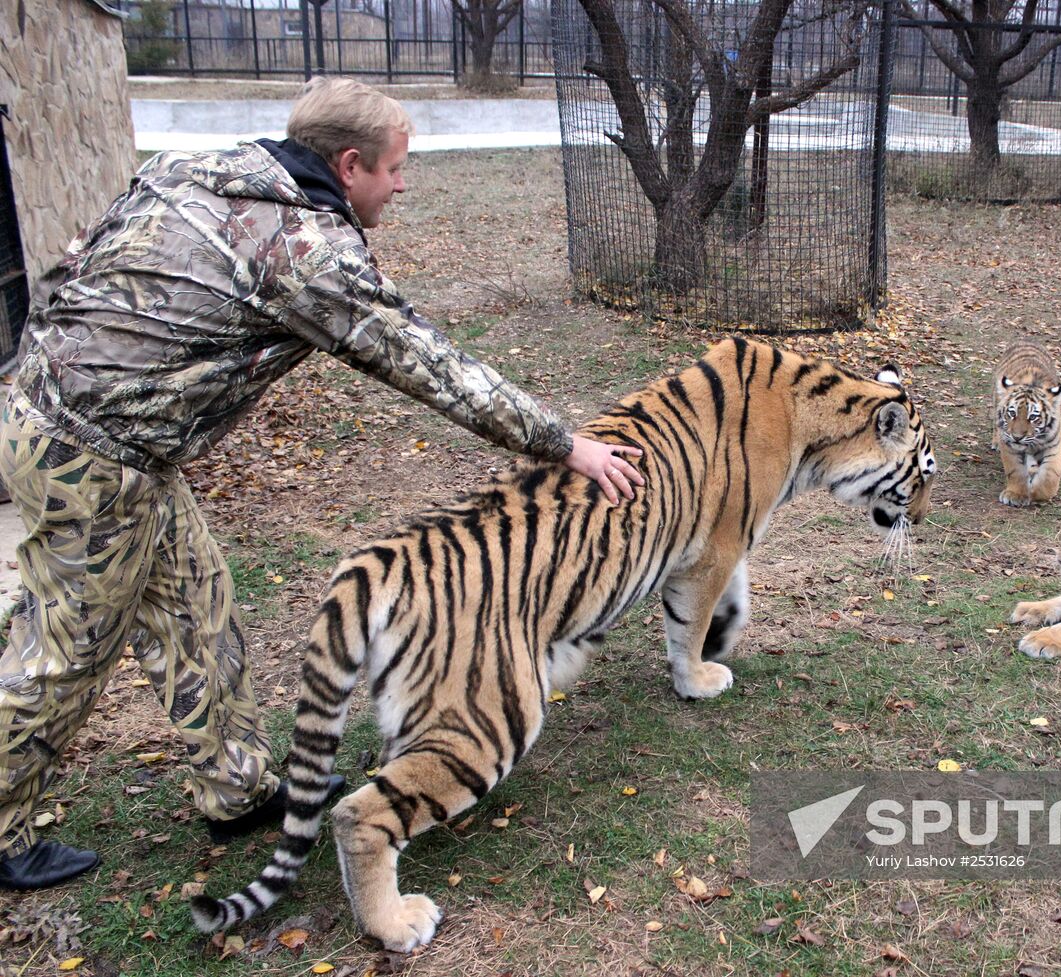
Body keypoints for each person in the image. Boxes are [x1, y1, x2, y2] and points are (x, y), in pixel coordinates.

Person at [0, 77, 642, 890]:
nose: (403, 185)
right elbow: (427, 364)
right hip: (87, 455)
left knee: (199, 610)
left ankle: (237, 785)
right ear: (348, 165)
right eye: (396, 169)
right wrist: (564, 444)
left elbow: (74, 263)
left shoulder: (201, 166)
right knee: (63, 653)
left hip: (109, 439)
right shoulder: (307, 255)